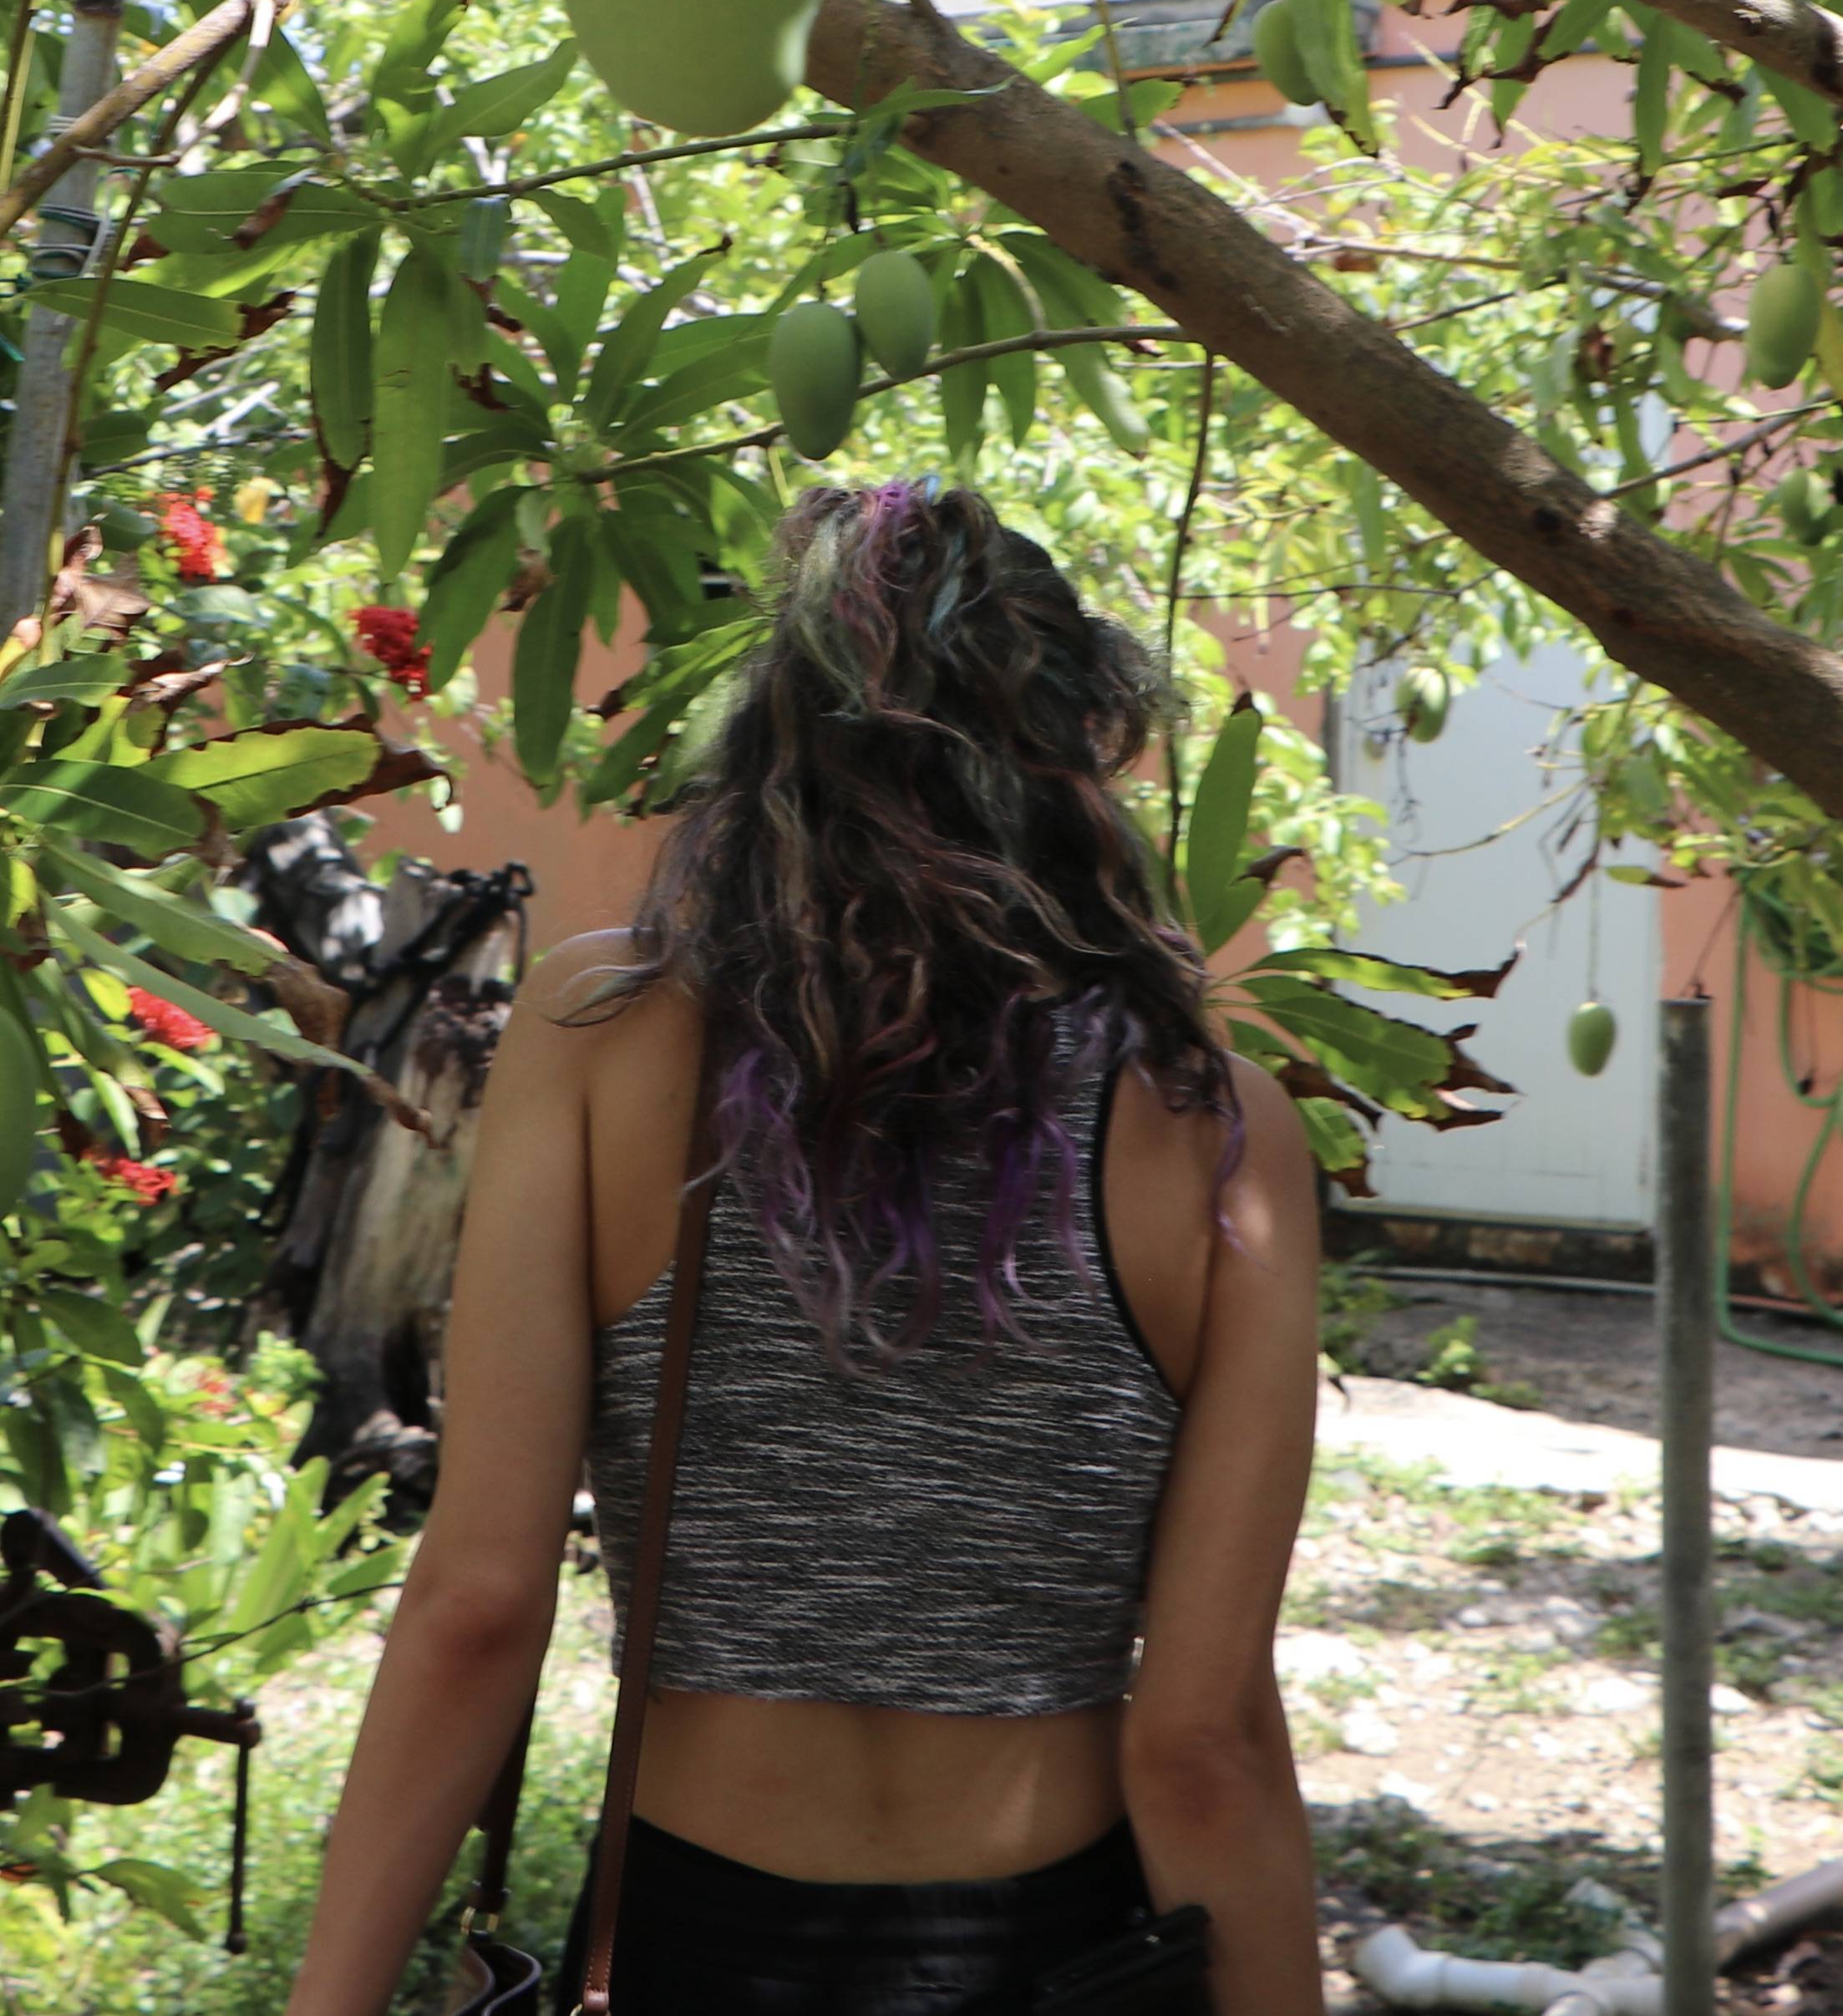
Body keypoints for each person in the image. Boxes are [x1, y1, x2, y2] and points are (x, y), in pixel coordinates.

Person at [287, 482, 1325, 2016]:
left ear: (774, 748)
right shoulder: (1218, 1134)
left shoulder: (601, 1038)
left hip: (703, 1940)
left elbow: (482, 1601)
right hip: (1066, 1949)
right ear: (1077, 754)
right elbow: (1200, 1739)